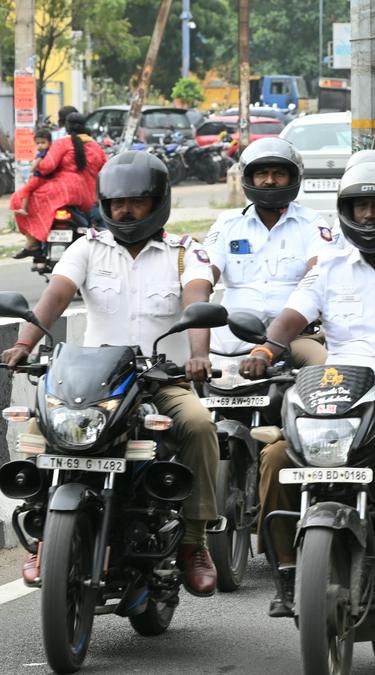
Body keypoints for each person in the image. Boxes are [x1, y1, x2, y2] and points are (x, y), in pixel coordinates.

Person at [242, 160, 375, 617]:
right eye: (360, 205)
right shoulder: (329, 263)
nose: (368, 215)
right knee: (276, 457)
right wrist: (265, 350)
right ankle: (286, 570)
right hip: (336, 398)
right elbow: (293, 314)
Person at [2, 151, 221, 595]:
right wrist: (25, 343)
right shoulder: (87, 246)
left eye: (137, 201)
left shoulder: (185, 253)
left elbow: (197, 304)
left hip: (160, 380)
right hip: (93, 379)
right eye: (117, 201)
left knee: (199, 425)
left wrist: (198, 356)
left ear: (158, 201)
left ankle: (195, 542)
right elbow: (55, 296)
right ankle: (44, 534)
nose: (125, 210)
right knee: (39, 426)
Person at [204, 137, 336, 364]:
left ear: (293, 179)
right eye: (262, 174)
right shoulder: (228, 223)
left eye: (279, 174)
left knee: (324, 367)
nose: (269, 181)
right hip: (231, 340)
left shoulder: (311, 223)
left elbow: (319, 275)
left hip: (293, 337)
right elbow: (205, 274)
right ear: (249, 178)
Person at [10, 113, 107, 257]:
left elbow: (47, 166)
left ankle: (33, 243)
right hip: (87, 196)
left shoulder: (62, 143)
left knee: (19, 199)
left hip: (61, 191)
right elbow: (104, 170)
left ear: (66, 127)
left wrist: (37, 165)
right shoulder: (95, 147)